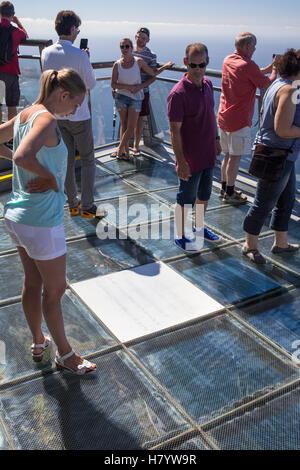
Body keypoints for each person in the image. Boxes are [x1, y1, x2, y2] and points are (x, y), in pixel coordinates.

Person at [1, 68, 96, 374]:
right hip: (42, 221)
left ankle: (39, 340)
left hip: (16, 216)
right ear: (63, 94)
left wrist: (33, 165)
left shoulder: (27, 113)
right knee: (55, 291)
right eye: (76, 103)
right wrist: (50, 178)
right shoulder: (47, 119)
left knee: (33, 282)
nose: (76, 110)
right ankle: (66, 356)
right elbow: (21, 158)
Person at [41, 10, 102, 219]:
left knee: (66, 160)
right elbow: (90, 84)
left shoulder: (46, 53)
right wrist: (86, 59)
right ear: (73, 29)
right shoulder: (80, 54)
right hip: (79, 114)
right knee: (87, 159)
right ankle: (88, 206)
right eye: (77, 29)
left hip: (57, 116)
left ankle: (72, 203)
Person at [242, 49, 300, 264]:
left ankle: (280, 243)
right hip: (276, 155)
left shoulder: (284, 84)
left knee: (286, 200)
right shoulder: (287, 90)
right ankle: (249, 245)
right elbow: (283, 129)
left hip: (286, 155)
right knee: (263, 203)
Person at [167, 43, 222, 252]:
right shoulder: (178, 94)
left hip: (207, 153)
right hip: (190, 158)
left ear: (207, 62)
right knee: (185, 199)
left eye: (202, 64)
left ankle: (199, 228)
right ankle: (180, 235)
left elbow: (211, 114)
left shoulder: (207, 84)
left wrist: (216, 139)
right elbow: (174, 131)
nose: (198, 69)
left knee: (204, 195)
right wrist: (181, 162)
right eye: (193, 65)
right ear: (185, 63)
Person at [218, 32, 277, 204]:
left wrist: (268, 67)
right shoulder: (248, 65)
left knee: (228, 155)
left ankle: (224, 188)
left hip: (224, 116)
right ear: (245, 46)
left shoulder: (228, 60)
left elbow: (253, 73)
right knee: (235, 158)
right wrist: (275, 70)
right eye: (253, 46)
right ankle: (229, 194)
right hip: (239, 119)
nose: (255, 48)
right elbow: (267, 83)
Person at [111, 37, 173, 160]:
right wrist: (128, 87)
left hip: (135, 97)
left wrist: (165, 66)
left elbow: (153, 74)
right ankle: (125, 152)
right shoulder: (116, 64)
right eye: (122, 46)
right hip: (121, 97)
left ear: (132, 48)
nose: (124, 49)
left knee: (131, 126)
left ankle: (119, 149)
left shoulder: (138, 62)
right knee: (124, 124)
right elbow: (113, 84)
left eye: (127, 46)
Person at [0, 1, 27, 123]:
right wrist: (17, 22)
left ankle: (0, 142)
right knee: (12, 107)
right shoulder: (16, 32)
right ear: (13, 14)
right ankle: (12, 138)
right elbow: (25, 35)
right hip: (11, 72)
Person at [132, 27, 157, 156]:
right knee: (127, 119)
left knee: (140, 119)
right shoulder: (128, 51)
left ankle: (136, 145)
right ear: (135, 37)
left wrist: (141, 87)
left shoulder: (151, 56)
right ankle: (124, 146)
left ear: (148, 40)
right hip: (127, 90)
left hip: (143, 91)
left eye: (144, 38)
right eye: (139, 37)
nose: (141, 40)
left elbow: (153, 76)